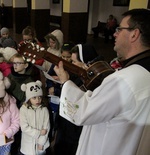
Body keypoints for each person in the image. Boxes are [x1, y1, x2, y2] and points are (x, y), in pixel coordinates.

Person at [53, 8, 150, 155]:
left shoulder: (124, 80)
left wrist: (65, 81)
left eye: (119, 29)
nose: (114, 33)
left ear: (134, 34)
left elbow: (83, 112)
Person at [20, 80, 50, 155]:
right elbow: (24, 127)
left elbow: (46, 127)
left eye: (39, 97)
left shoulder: (44, 110)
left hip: (41, 145)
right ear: (28, 98)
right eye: (34, 97)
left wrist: (41, 142)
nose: (37, 100)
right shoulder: (23, 110)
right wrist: (38, 132)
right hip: (28, 146)